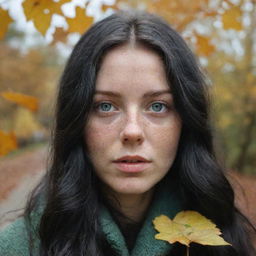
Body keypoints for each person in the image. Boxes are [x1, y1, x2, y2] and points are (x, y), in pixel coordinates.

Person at [0, 10, 255, 256]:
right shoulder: (17, 248)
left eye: (157, 106)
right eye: (106, 106)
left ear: (186, 122)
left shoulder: (223, 240)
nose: (132, 131)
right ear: (76, 120)